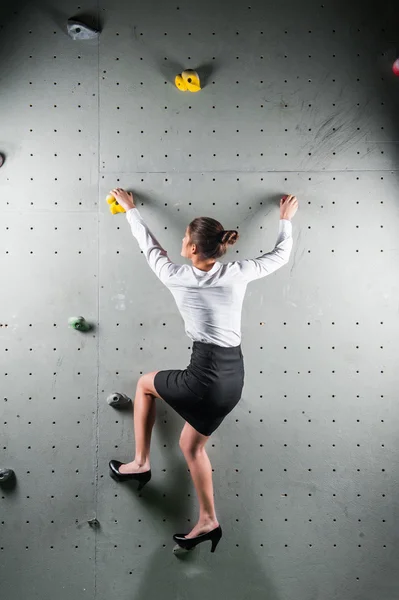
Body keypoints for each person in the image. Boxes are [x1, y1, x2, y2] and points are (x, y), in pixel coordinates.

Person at [108, 188, 298, 553]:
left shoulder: (177, 276)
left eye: (185, 238)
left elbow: (150, 248)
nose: (180, 240)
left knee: (145, 384)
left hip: (205, 376)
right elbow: (281, 255)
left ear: (194, 249)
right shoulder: (238, 272)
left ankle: (140, 463)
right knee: (190, 446)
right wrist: (285, 220)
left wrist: (131, 210)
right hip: (233, 379)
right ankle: (208, 521)